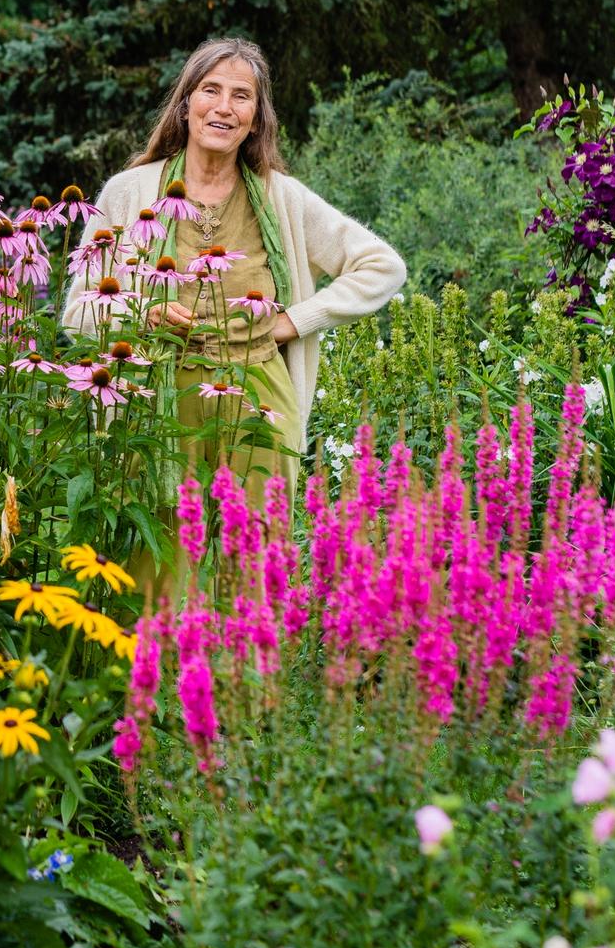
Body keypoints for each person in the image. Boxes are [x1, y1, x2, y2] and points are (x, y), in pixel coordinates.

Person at [63, 38, 405, 562]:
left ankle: (250, 648)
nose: (224, 107)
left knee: (255, 562)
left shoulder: (280, 196)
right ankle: (160, 648)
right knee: (156, 559)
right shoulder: (130, 193)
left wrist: (296, 319)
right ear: (185, 104)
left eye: (241, 96)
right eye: (211, 90)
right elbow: (78, 312)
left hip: (260, 394)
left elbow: (384, 266)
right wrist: (141, 313)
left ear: (256, 119)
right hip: (160, 397)